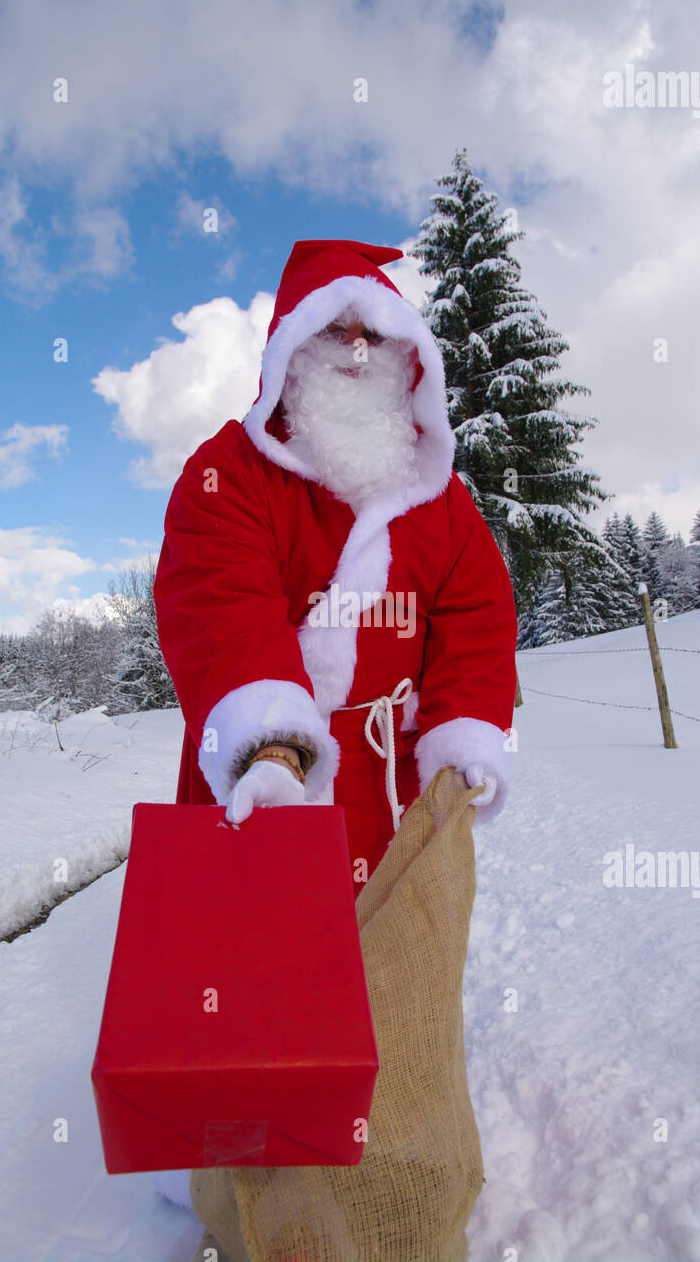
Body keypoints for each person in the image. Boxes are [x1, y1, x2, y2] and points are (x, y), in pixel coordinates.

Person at [153, 238, 518, 890]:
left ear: (405, 354)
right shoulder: (227, 474)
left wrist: (461, 736)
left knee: (388, 967)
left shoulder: (439, 493)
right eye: (331, 329)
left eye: (373, 334)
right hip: (266, 768)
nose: (355, 347)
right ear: (290, 348)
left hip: (392, 777)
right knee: (250, 955)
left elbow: (476, 617)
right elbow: (220, 608)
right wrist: (270, 743)